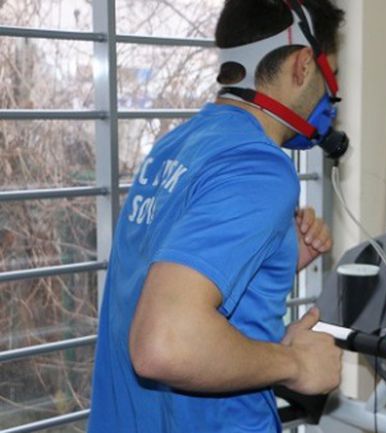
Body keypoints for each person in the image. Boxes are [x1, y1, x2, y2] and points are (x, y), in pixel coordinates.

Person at [88, 1, 345, 432]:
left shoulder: (178, 146)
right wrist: (296, 363)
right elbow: (164, 343)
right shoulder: (258, 166)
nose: (329, 99)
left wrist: (276, 256)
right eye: (329, 76)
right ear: (303, 65)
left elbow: (165, 280)